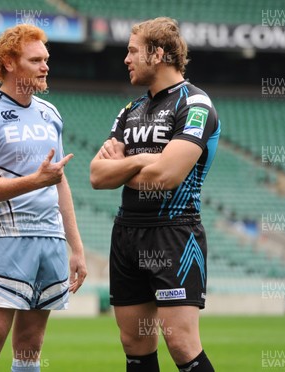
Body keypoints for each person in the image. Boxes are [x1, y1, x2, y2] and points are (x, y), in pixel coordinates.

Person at [90, 17, 220, 372]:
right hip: (127, 233)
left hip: (174, 233)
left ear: (157, 54)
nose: (126, 59)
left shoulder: (195, 104)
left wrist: (128, 165)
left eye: (133, 51)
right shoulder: (129, 111)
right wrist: (147, 158)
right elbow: (97, 176)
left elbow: (167, 176)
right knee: (134, 343)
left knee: (180, 342)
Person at [0, 24, 87, 372]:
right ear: (9, 62)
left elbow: (60, 183)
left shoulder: (51, 114)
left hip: (51, 241)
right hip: (8, 240)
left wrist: (75, 247)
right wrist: (35, 180)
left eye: (46, 59)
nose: (46, 66)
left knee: (31, 348)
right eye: (36, 60)